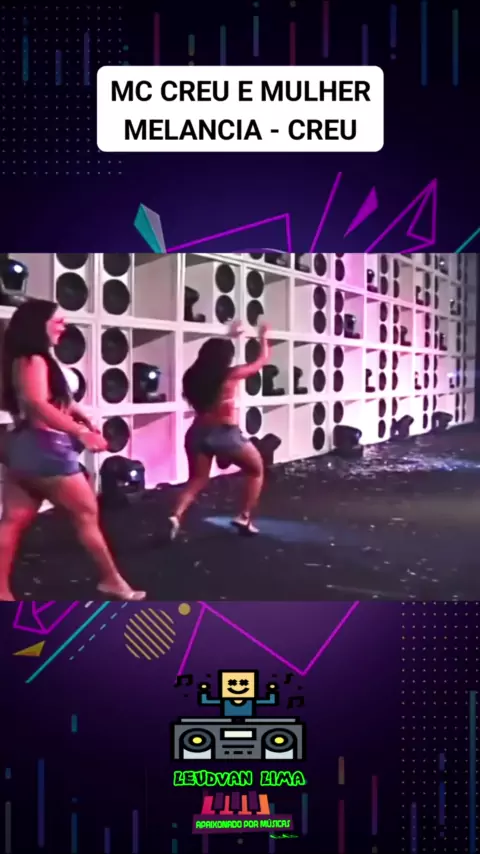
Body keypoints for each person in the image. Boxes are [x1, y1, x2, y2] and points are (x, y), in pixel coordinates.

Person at [0, 299, 146, 601]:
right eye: (57, 321)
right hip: (47, 451)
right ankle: (112, 580)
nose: (63, 326)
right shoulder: (32, 360)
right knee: (86, 515)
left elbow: (53, 398)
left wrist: (81, 415)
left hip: (25, 449)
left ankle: (1, 592)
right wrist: (80, 432)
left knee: (12, 521)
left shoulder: (27, 359)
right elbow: (37, 404)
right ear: (38, 325)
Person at [169, 320, 271, 538]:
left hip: (197, 433)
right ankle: (244, 517)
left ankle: (176, 515)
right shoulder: (230, 375)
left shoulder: (191, 377)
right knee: (256, 470)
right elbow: (261, 361)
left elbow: (216, 356)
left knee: (197, 480)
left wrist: (231, 336)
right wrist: (263, 336)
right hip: (225, 433)